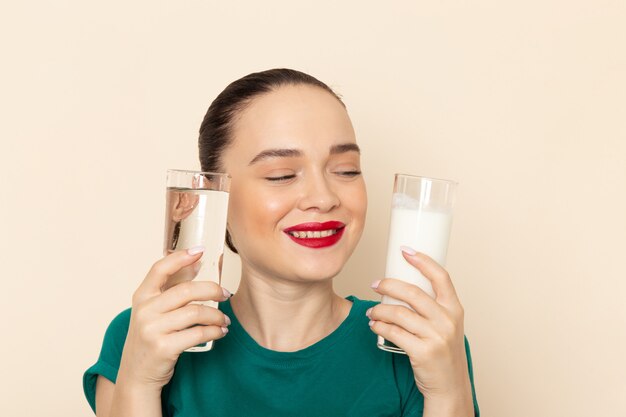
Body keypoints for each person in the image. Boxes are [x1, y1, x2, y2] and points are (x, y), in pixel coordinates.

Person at [83, 68, 480, 417]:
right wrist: (138, 382)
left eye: (346, 169)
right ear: (216, 197)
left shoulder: (419, 341)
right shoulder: (147, 334)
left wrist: (448, 392)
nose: (324, 197)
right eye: (281, 175)